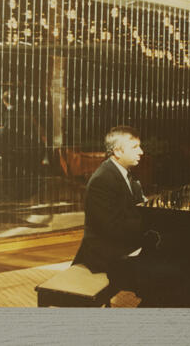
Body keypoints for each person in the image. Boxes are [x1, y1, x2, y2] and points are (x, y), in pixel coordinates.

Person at [72, 126, 174, 306]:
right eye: (135, 147)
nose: (141, 152)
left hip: (125, 245)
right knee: (165, 277)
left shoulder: (126, 173)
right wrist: (153, 222)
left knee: (169, 265)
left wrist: (157, 212)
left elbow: (138, 208)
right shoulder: (102, 180)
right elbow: (113, 228)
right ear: (118, 151)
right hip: (106, 256)